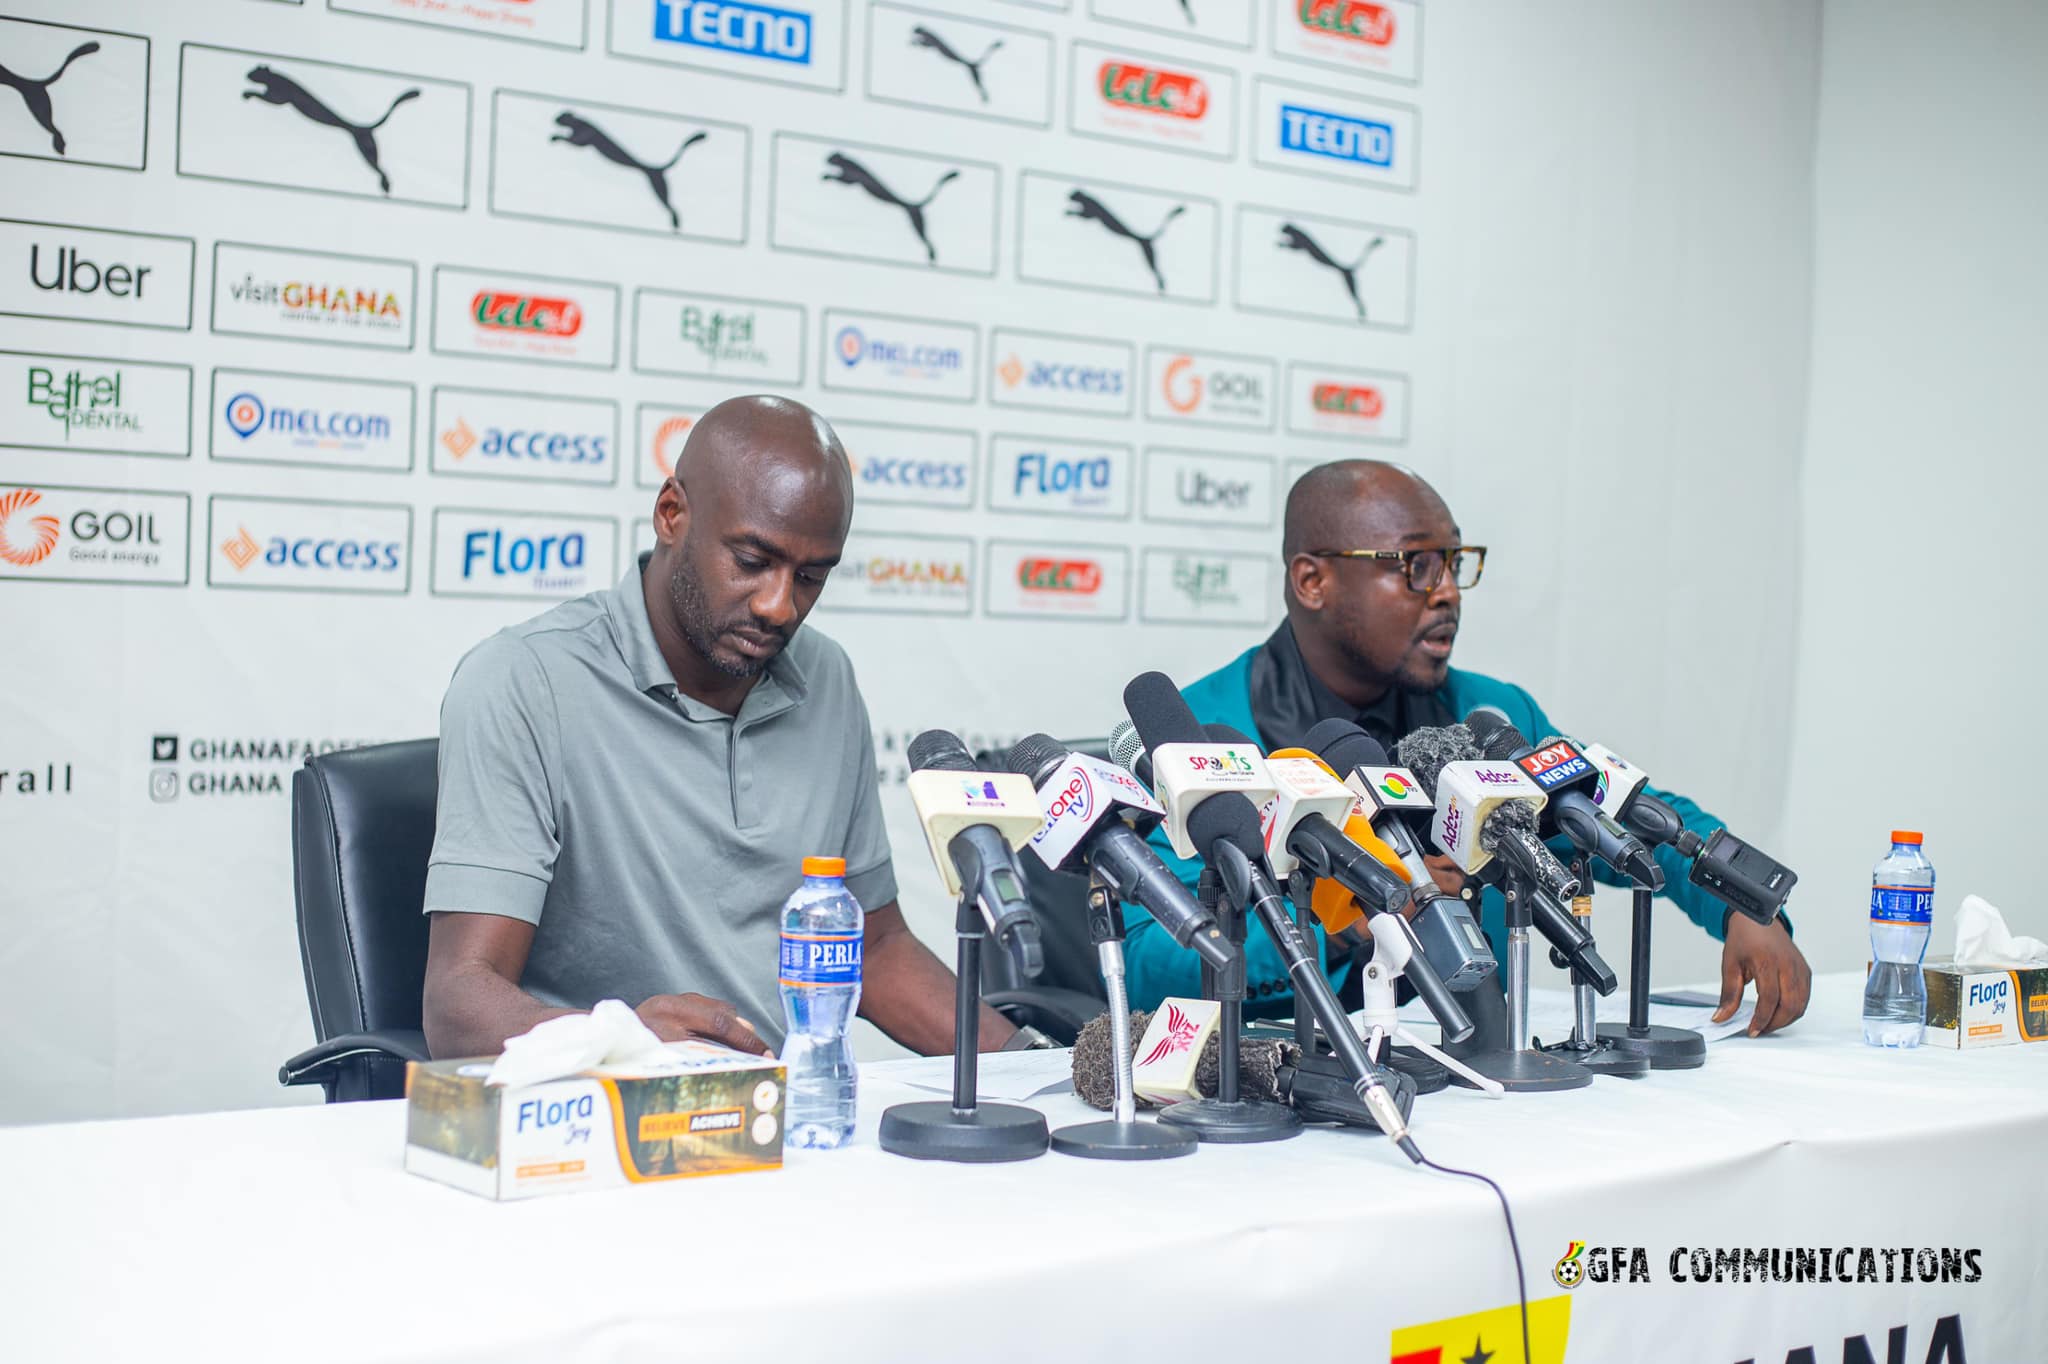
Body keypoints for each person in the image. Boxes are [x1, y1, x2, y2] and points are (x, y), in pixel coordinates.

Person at [419, 395, 1015, 1059]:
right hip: (608, 1107)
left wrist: (1033, 1060)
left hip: (785, 1105)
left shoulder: (827, 678)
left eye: (810, 576)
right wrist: (622, 1042)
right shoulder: (524, 680)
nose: (779, 606)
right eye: (753, 561)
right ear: (672, 514)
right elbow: (459, 1003)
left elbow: (874, 950)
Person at [1128, 459, 1812, 1037]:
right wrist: (1339, 924)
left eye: (1454, 563)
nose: (1449, 592)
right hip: (1288, 1087)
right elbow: (1146, 963)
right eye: (1417, 566)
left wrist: (1742, 904)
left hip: (1487, 1077)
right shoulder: (1203, 735)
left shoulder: (1491, 716)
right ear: (1313, 581)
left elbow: (1623, 811)